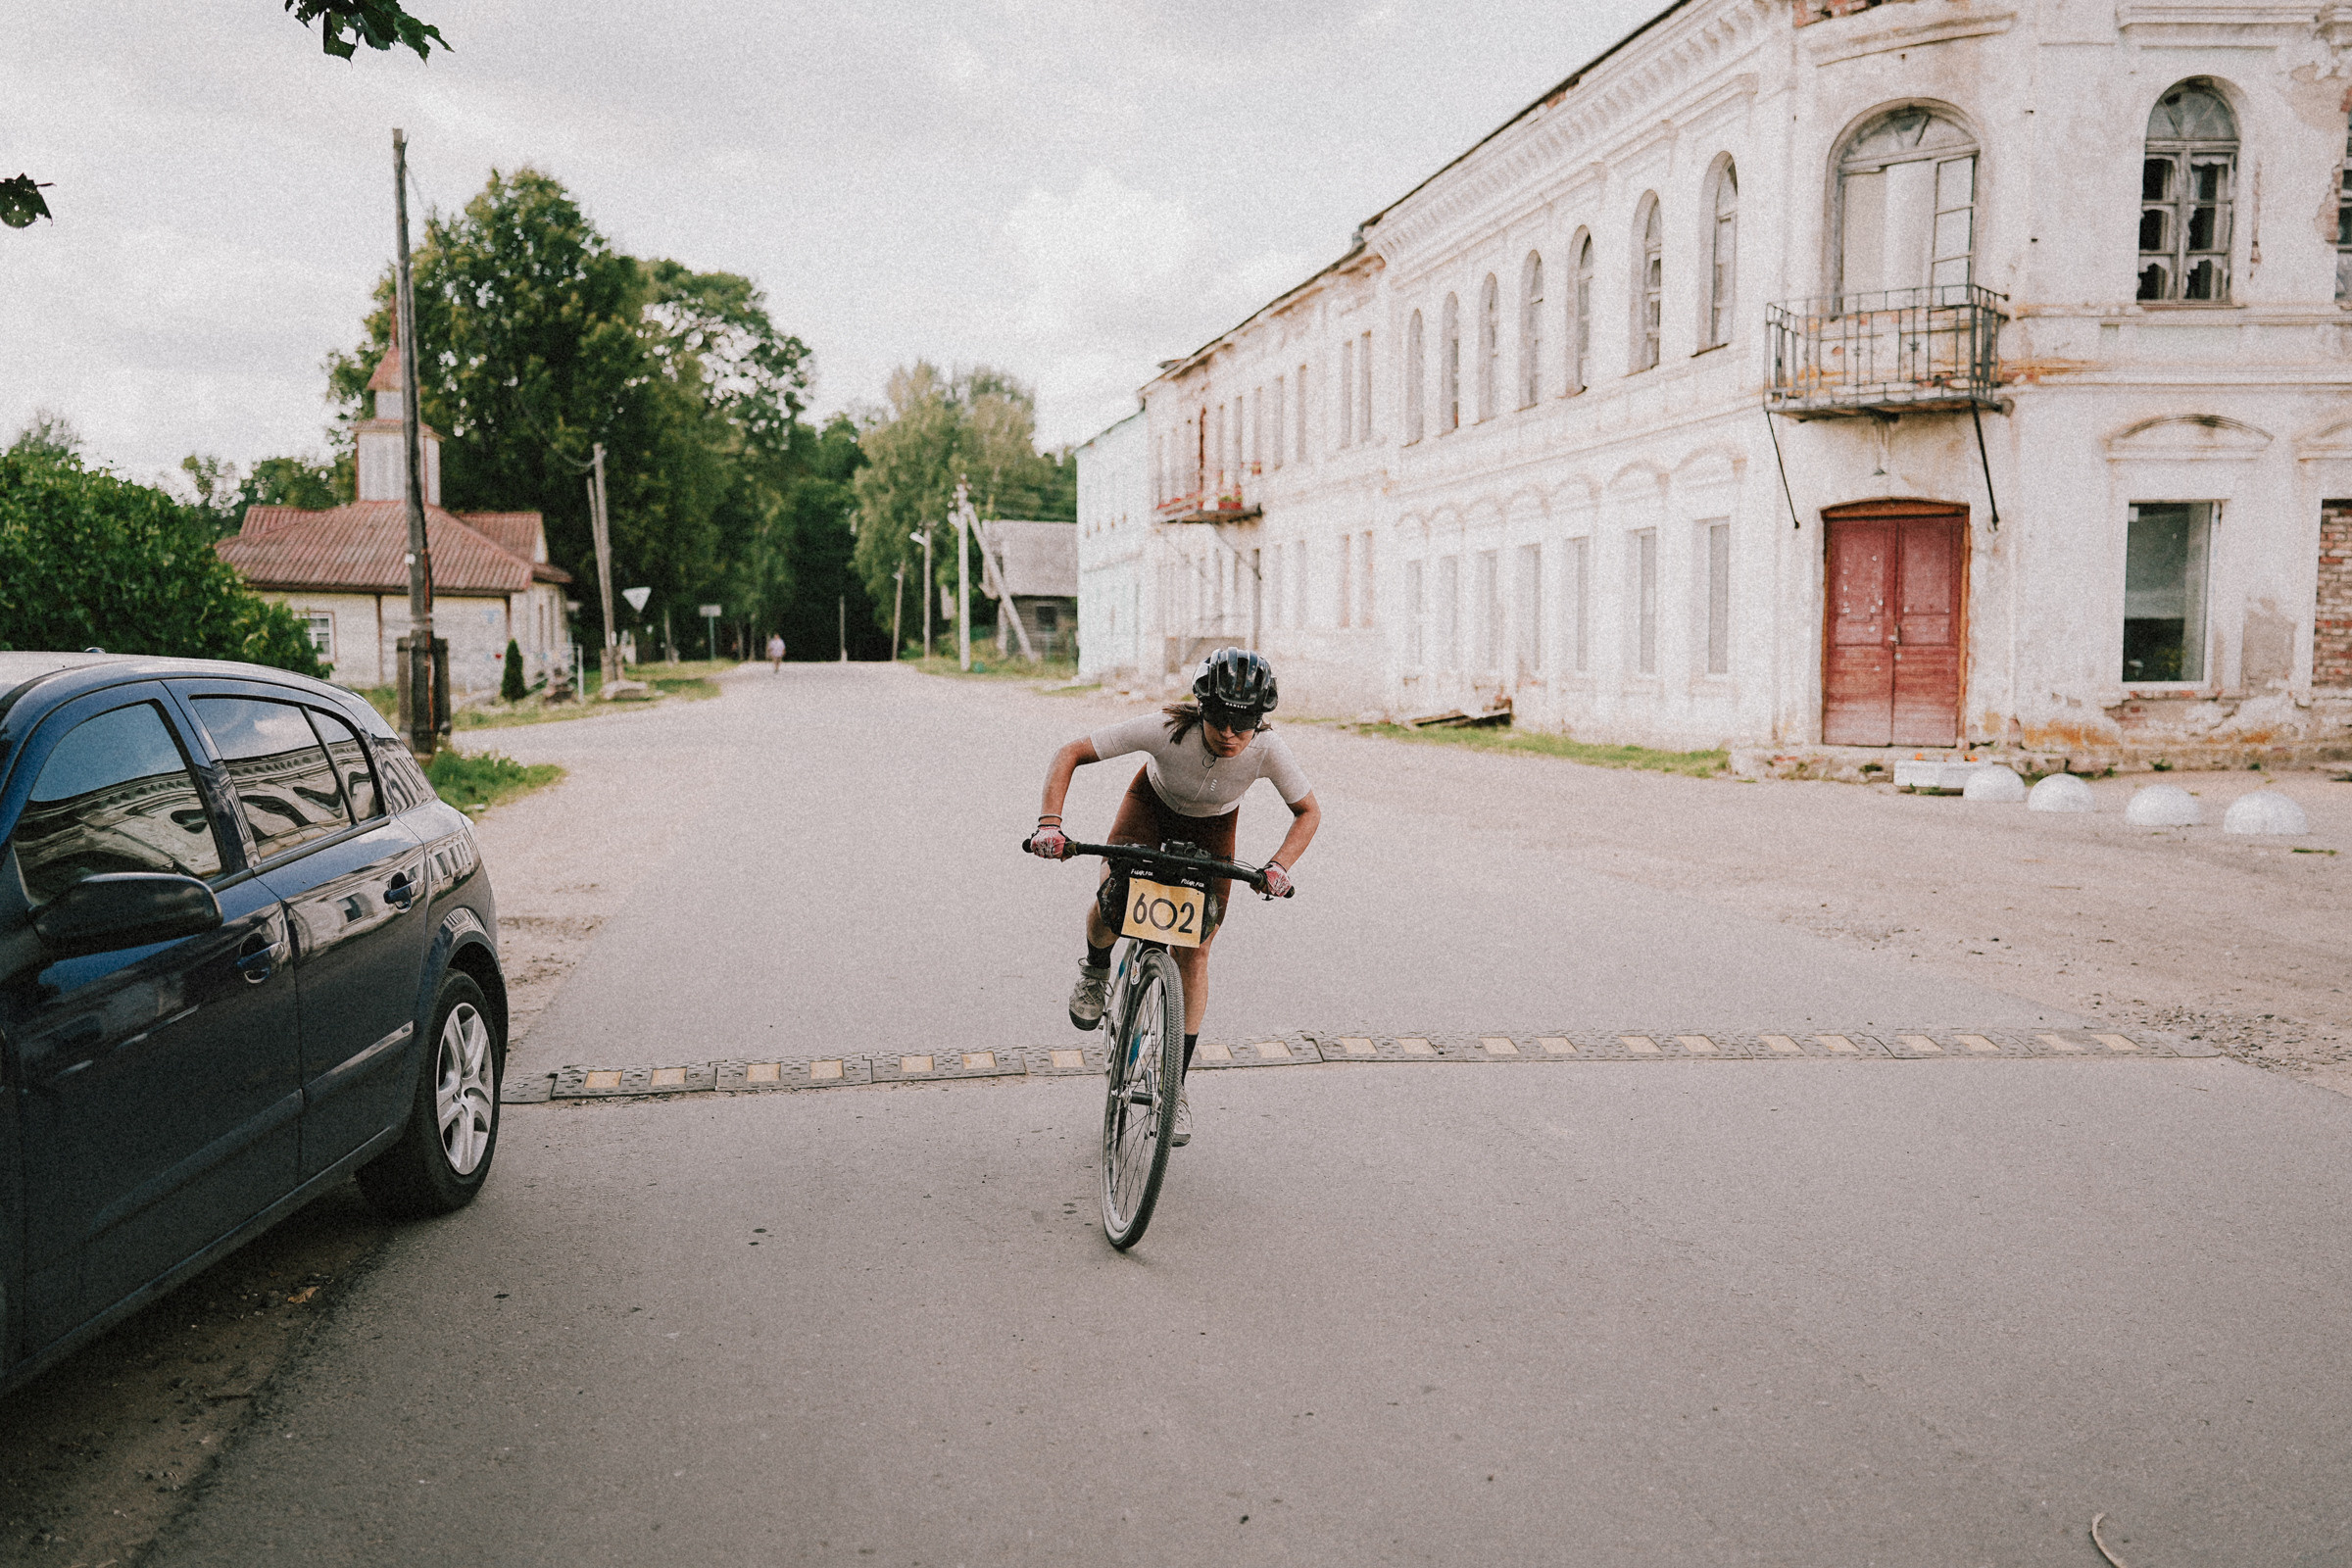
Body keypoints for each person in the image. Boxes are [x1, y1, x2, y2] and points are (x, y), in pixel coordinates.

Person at [1027, 648, 1319, 1147]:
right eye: (1220, 721)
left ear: (1260, 721)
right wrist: (1050, 825)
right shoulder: (1165, 728)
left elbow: (1308, 811)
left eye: (1244, 724)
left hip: (1213, 828)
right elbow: (1070, 752)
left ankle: (1173, 1085)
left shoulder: (1269, 750)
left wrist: (1278, 866)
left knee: (1197, 949)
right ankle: (1096, 970)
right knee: (1115, 905)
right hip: (1150, 809)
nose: (1230, 734)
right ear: (1202, 709)